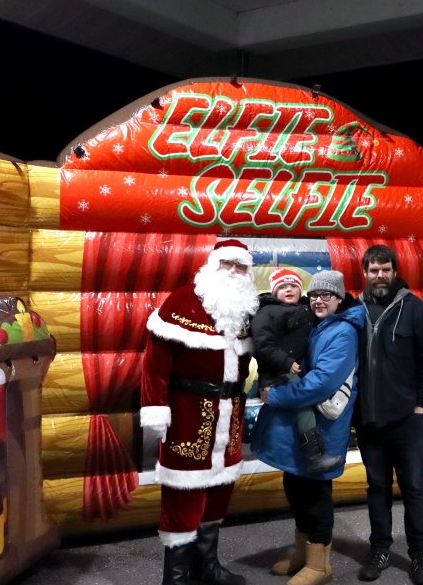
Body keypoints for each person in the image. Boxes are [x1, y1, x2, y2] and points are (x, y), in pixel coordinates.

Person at [141, 239, 258, 585]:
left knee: (219, 490)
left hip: (230, 415)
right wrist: (155, 408)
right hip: (188, 412)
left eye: (241, 266)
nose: (234, 272)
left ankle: (206, 566)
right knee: (184, 492)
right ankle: (175, 577)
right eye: (228, 264)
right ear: (212, 265)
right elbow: (155, 362)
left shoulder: (245, 311)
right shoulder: (182, 300)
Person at [251, 270, 365, 585]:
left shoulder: (342, 332)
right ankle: (302, 553)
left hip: (324, 425)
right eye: (314, 295)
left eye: (325, 295)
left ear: (339, 298)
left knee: (315, 493)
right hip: (302, 425)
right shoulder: (316, 323)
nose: (317, 300)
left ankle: (320, 563)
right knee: (296, 486)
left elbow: (321, 383)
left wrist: (275, 395)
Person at [355, 245, 423, 585]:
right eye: (374, 270)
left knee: (414, 489)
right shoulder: (355, 309)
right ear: (365, 273)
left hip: (408, 419)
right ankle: (379, 550)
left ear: (395, 271)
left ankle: (420, 555)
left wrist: (422, 402)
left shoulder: (414, 309)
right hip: (368, 420)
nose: (380, 275)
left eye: (386, 269)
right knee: (377, 487)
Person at [251, 267, 342, 472]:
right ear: (274, 291)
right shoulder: (267, 311)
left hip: (294, 370)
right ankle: (315, 456)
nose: (289, 289)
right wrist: (285, 362)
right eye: (283, 286)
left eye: (293, 285)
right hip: (277, 372)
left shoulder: (305, 307)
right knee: (303, 404)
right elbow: (262, 345)